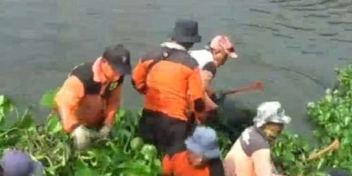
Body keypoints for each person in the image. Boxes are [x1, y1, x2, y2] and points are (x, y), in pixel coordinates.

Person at [132, 19, 209, 156]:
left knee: (145, 157)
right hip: (175, 123)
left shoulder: (148, 54)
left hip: (149, 117)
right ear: (191, 42)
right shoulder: (191, 64)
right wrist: (199, 118)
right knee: (171, 163)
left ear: (173, 36)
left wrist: (147, 92)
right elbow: (197, 99)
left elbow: (136, 81)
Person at [54, 45, 132, 151]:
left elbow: (114, 101)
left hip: (96, 124)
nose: (118, 75)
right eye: (115, 69)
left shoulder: (116, 78)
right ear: (104, 62)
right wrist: (75, 128)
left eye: (122, 71)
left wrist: (107, 124)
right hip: (75, 125)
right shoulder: (82, 78)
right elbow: (63, 104)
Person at [189, 35, 239, 124]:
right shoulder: (210, 65)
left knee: (209, 95)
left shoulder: (195, 53)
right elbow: (198, 92)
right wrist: (212, 109)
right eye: (225, 56)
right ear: (216, 52)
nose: (224, 62)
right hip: (176, 95)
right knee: (211, 111)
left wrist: (209, 93)